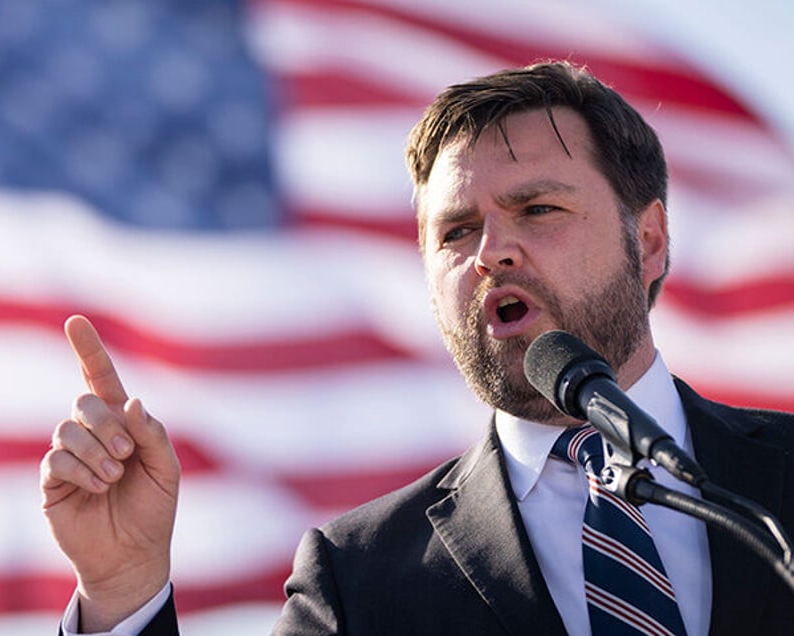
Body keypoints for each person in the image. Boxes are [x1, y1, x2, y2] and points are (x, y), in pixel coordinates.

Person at [41, 60, 794, 635]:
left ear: (651, 239)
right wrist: (124, 592)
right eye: (455, 231)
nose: (492, 251)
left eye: (537, 208)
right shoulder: (357, 578)